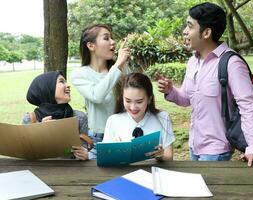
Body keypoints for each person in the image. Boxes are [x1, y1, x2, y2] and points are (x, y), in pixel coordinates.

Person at [157, 2, 253, 167]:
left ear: (206, 33)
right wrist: (170, 91)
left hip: (217, 151)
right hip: (195, 146)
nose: (184, 31)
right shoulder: (193, 62)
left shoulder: (231, 63)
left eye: (190, 26)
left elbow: (248, 106)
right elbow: (186, 98)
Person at [70, 24, 131, 159]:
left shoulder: (121, 69)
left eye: (112, 38)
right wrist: (118, 65)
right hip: (98, 138)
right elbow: (96, 95)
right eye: (106, 38)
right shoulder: (79, 74)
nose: (113, 42)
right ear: (91, 46)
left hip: (124, 134)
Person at [103, 73, 175, 161]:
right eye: (128, 101)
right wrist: (113, 151)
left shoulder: (162, 118)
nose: (133, 107)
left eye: (139, 102)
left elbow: (169, 157)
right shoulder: (113, 121)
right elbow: (106, 158)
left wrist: (160, 156)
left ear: (149, 99)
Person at [22, 71, 90, 160]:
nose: (68, 85)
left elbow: (81, 151)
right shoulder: (30, 119)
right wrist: (40, 132)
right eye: (62, 81)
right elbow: (26, 154)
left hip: (70, 171)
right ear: (47, 88)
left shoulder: (79, 117)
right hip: (40, 170)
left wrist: (84, 154)